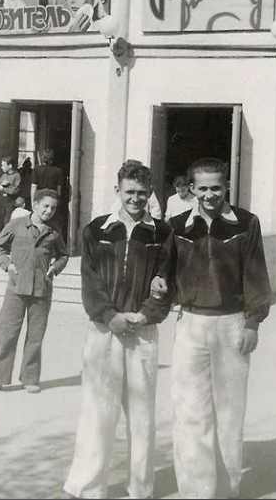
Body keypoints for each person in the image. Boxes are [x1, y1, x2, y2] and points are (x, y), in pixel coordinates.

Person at [151, 158, 272, 499]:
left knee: (230, 413)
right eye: (202, 188)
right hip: (190, 324)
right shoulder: (176, 225)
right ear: (190, 189)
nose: (209, 195)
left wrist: (252, 323)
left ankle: (226, 490)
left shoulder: (246, 224)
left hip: (232, 324)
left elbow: (257, 276)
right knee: (190, 412)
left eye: (216, 187)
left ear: (226, 187)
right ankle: (195, 492)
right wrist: (160, 283)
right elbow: (166, 270)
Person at [63, 160, 175, 500]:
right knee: (97, 412)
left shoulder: (162, 233)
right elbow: (90, 280)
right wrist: (109, 316)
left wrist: (144, 315)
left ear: (150, 193)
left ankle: (140, 489)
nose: (136, 199)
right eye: (130, 192)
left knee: (141, 417)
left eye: (142, 193)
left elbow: (166, 282)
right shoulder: (96, 230)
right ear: (118, 191)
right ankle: (85, 487)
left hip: (142, 334)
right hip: (104, 332)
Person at [0, 188, 69, 395]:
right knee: (6, 333)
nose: (49, 211)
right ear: (34, 205)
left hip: (42, 290)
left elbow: (64, 255)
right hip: (16, 287)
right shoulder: (16, 225)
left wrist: (55, 268)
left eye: (53, 208)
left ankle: (30, 378)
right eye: (45, 206)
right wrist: (7, 265)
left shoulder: (54, 232)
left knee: (35, 336)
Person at [0, 156, 22, 228]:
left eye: (3, 165)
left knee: (8, 222)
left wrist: (4, 188)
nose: (2, 167)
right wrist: (1, 185)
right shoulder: (3, 175)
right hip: (1, 200)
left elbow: (15, 190)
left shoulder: (17, 176)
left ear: (10, 166)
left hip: (10, 201)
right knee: (0, 221)